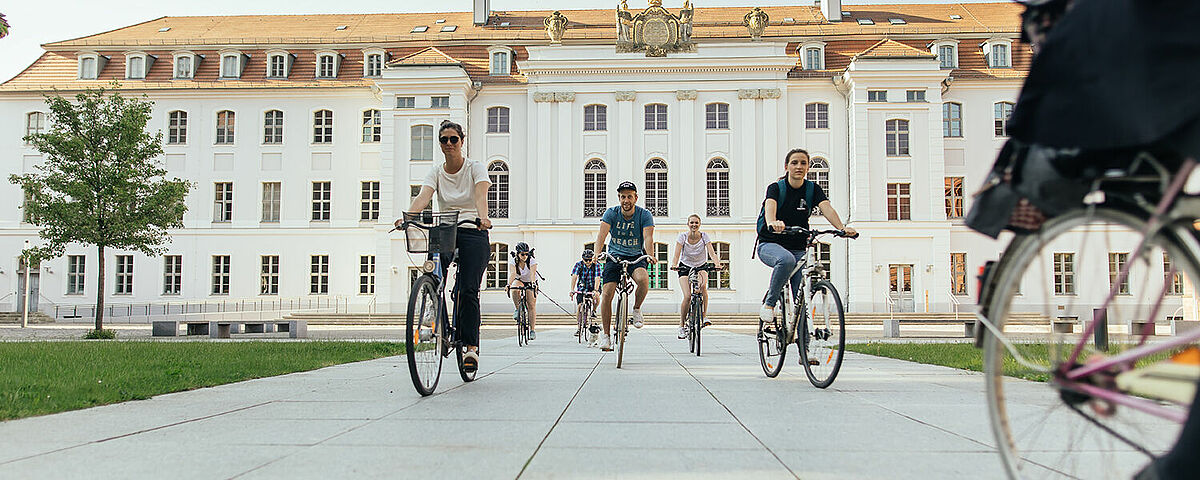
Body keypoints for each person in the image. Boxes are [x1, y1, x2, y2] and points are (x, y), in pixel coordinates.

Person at [398, 119, 492, 373]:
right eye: (444, 140)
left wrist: (483, 218)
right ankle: (431, 302)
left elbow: (481, 195)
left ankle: (471, 348)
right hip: (447, 228)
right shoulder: (436, 172)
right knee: (434, 268)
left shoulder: (476, 168)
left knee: (468, 290)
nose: (449, 144)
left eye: (453, 139)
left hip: (474, 229)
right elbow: (423, 197)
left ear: (462, 141)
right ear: (439, 144)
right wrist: (408, 217)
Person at [757, 148, 856, 325]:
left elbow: (827, 209)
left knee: (801, 296)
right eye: (794, 162)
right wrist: (774, 222)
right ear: (786, 166)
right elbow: (770, 209)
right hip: (770, 244)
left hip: (798, 247)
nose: (799, 166)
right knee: (786, 260)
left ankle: (806, 346)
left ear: (808, 167)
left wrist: (842, 228)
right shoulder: (776, 188)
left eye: (803, 163)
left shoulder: (812, 189)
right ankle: (769, 304)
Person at [595, 181, 656, 351]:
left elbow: (648, 237)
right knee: (607, 293)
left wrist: (650, 255)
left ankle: (636, 309)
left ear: (636, 197)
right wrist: (596, 253)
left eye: (629, 196)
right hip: (614, 256)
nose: (626, 200)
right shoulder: (611, 213)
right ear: (619, 198)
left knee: (643, 279)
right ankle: (606, 336)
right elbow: (601, 235)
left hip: (636, 255)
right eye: (623, 197)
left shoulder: (644, 215)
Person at [672, 214, 723, 339]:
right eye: (692, 223)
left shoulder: (704, 236)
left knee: (703, 288)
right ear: (688, 224)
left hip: (701, 266)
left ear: (699, 224)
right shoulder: (682, 237)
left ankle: (703, 317)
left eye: (696, 223)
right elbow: (677, 254)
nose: (694, 225)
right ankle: (682, 325)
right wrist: (674, 264)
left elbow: (711, 252)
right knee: (688, 296)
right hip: (685, 267)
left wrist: (717, 264)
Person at [507, 242, 538, 340]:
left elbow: (533, 274)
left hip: (530, 281)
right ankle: (517, 309)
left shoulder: (532, 261)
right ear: (518, 254)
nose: (525, 256)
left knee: (531, 305)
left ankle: (532, 330)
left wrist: (533, 284)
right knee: (515, 289)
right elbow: (513, 273)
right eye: (522, 254)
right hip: (519, 280)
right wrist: (508, 284)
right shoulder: (513, 262)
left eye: (526, 254)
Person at [569, 249, 602, 336]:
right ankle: (579, 327)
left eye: (590, 260)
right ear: (582, 259)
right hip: (582, 286)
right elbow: (574, 276)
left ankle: (594, 310)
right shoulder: (578, 265)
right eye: (586, 260)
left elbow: (597, 278)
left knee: (597, 295)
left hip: (594, 285)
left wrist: (595, 290)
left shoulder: (597, 265)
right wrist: (572, 289)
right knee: (580, 305)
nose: (588, 262)